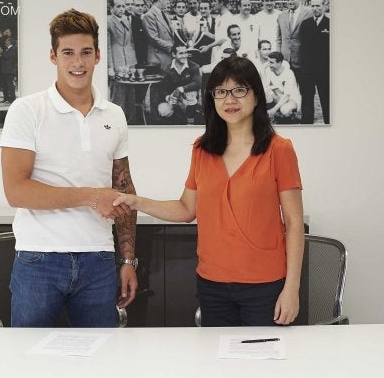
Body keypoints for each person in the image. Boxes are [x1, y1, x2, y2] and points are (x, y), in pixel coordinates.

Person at [113, 56, 304, 327]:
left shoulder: (279, 149)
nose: (230, 99)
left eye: (239, 89)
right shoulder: (202, 149)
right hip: (213, 283)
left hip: (265, 284)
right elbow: (186, 209)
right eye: (221, 91)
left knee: (262, 366)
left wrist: (292, 289)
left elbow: (295, 223)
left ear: (257, 96)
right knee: (219, 365)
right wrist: (137, 201)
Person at [0, 8, 138, 328]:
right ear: (53, 56)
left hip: (99, 260)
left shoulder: (114, 114)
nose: (78, 62)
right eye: (68, 53)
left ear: (98, 56)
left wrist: (128, 259)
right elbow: (16, 191)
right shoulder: (26, 110)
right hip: (39, 260)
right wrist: (91, 197)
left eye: (86, 52)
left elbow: (125, 189)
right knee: (30, 362)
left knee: (100, 361)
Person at [299, 0, 329, 124]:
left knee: (326, 100)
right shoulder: (306, 24)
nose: (315, 8)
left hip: (324, 70)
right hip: (308, 71)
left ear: (324, 6)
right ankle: (307, 125)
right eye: (313, 6)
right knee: (306, 100)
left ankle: (329, 123)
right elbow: (303, 48)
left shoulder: (330, 23)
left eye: (318, 6)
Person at [265, 51, 301, 121]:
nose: (269, 64)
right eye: (268, 61)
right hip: (279, 97)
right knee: (264, 90)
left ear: (279, 63)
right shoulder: (269, 70)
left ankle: (293, 113)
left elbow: (287, 95)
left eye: (271, 62)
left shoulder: (289, 73)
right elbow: (265, 86)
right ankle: (276, 111)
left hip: (291, 99)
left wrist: (273, 110)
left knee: (285, 110)